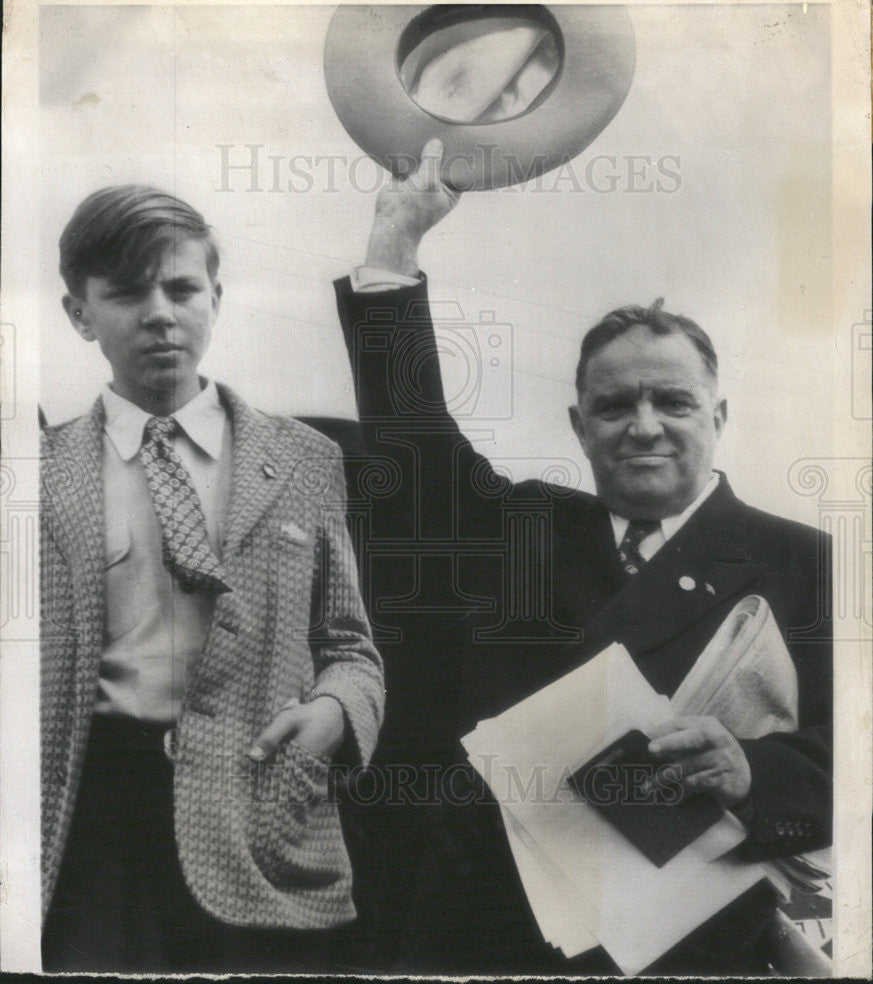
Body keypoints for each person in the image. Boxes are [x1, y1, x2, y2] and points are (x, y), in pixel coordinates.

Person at [332, 140, 832, 975]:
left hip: (690, 945)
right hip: (492, 932)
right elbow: (413, 447)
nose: (643, 426)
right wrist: (393, 249)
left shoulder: (806, 563)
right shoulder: (526, 527)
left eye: (671, 401)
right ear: (577, 426)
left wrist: (753, 770)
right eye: (613, 406)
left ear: (719, 414)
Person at [40, 185, 384, 973]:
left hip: (264, 810)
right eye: (126, 292)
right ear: (79, 313)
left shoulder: (304, 460)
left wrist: (336, 710)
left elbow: (351, 650)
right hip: (93, 824)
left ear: (215, 298)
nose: (159, 313)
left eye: (181, 288)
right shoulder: (31, 477)